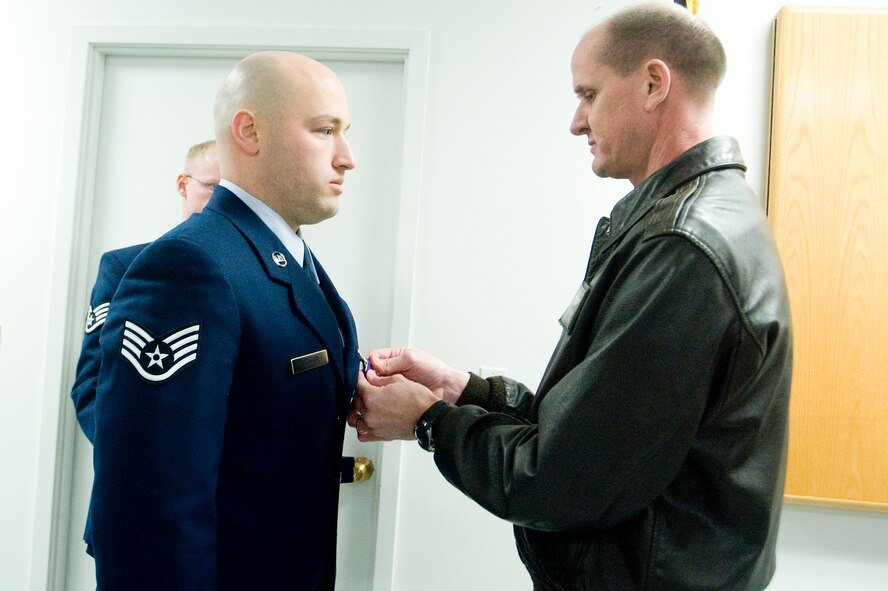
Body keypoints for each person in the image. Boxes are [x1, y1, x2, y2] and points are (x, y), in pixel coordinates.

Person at [349, 4, 792, 591]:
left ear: (654, 84)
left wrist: (430, 421)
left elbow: (559, 481)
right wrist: (464, 391)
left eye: (589, 94)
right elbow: (595, 431)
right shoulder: (695, 220)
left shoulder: (684, 247)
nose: (576, 121)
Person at [89, 52, 360, 590]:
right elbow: (150, 505)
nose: (348, 158)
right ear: (249, 131)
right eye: (325, 131)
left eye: (344, 132)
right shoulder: (190, 265)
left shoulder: (283, 255)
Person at [71, 139, 220, 444]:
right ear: (183, 184)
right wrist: (131, 462)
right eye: (212, 187)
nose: (220, 202)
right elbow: (90, 386)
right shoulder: (124, 266)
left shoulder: (256, 280)